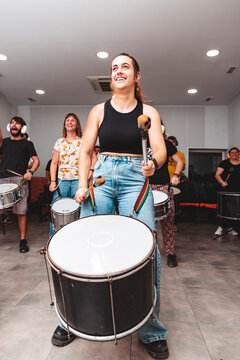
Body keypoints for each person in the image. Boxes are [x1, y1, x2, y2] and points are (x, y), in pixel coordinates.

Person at [51, 53, 169, 359]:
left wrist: (152, 163)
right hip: (101, 175)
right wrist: (80, 183)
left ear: (136, 76)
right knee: (87, 241)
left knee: (146, 249)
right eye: (114, 67)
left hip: (134, 178)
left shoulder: (149, 112)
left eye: (125, 66)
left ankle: (151, 328)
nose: (118, 71)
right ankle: (72, 319)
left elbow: (160, 151)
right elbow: (86, 150)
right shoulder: (98, 111)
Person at [0, 117, 40, 252]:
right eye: (11, 123)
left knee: (21, 211)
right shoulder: (3, 143)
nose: (13, 125)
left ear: (23, 128)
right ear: (9, 127)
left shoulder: (27, 144)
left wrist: (31, 172)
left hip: (19, 181)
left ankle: (23, 240)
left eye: (16, 123)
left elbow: (36, 161)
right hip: (2, 180)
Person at [150, 123, 184, 267]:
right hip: (143, 187)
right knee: (146, 223)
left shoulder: (166, 144)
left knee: (168, 222)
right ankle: (148, 253)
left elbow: (179, 161)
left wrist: (176, 175)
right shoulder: (140, 144)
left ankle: (170, 253)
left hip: (164, 186)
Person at [48, 113, 83, 237]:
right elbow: (54, 163)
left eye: (73, 120)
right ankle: (53, 239)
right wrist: (53, 181)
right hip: (62, 181)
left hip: (78, 181)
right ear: (65, 124)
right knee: (56, 209)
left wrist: (91, 171)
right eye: (67, 120)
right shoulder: (60, 142)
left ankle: (76, 237)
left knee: (79, 209)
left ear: (76, 124)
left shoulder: (83, 141)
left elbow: (93, 158)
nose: (70, 122)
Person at [215, 147, 240, 236]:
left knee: (235, 211)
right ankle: (220, 227)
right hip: (226, 190)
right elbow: (217, 174)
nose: (234, 154)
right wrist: (222, 182)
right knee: (224, 209)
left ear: (238, 154)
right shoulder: (224, 163)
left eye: (236, 152)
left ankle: (232, 228)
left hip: (237, 191)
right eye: (232, 153)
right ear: (229, 154)